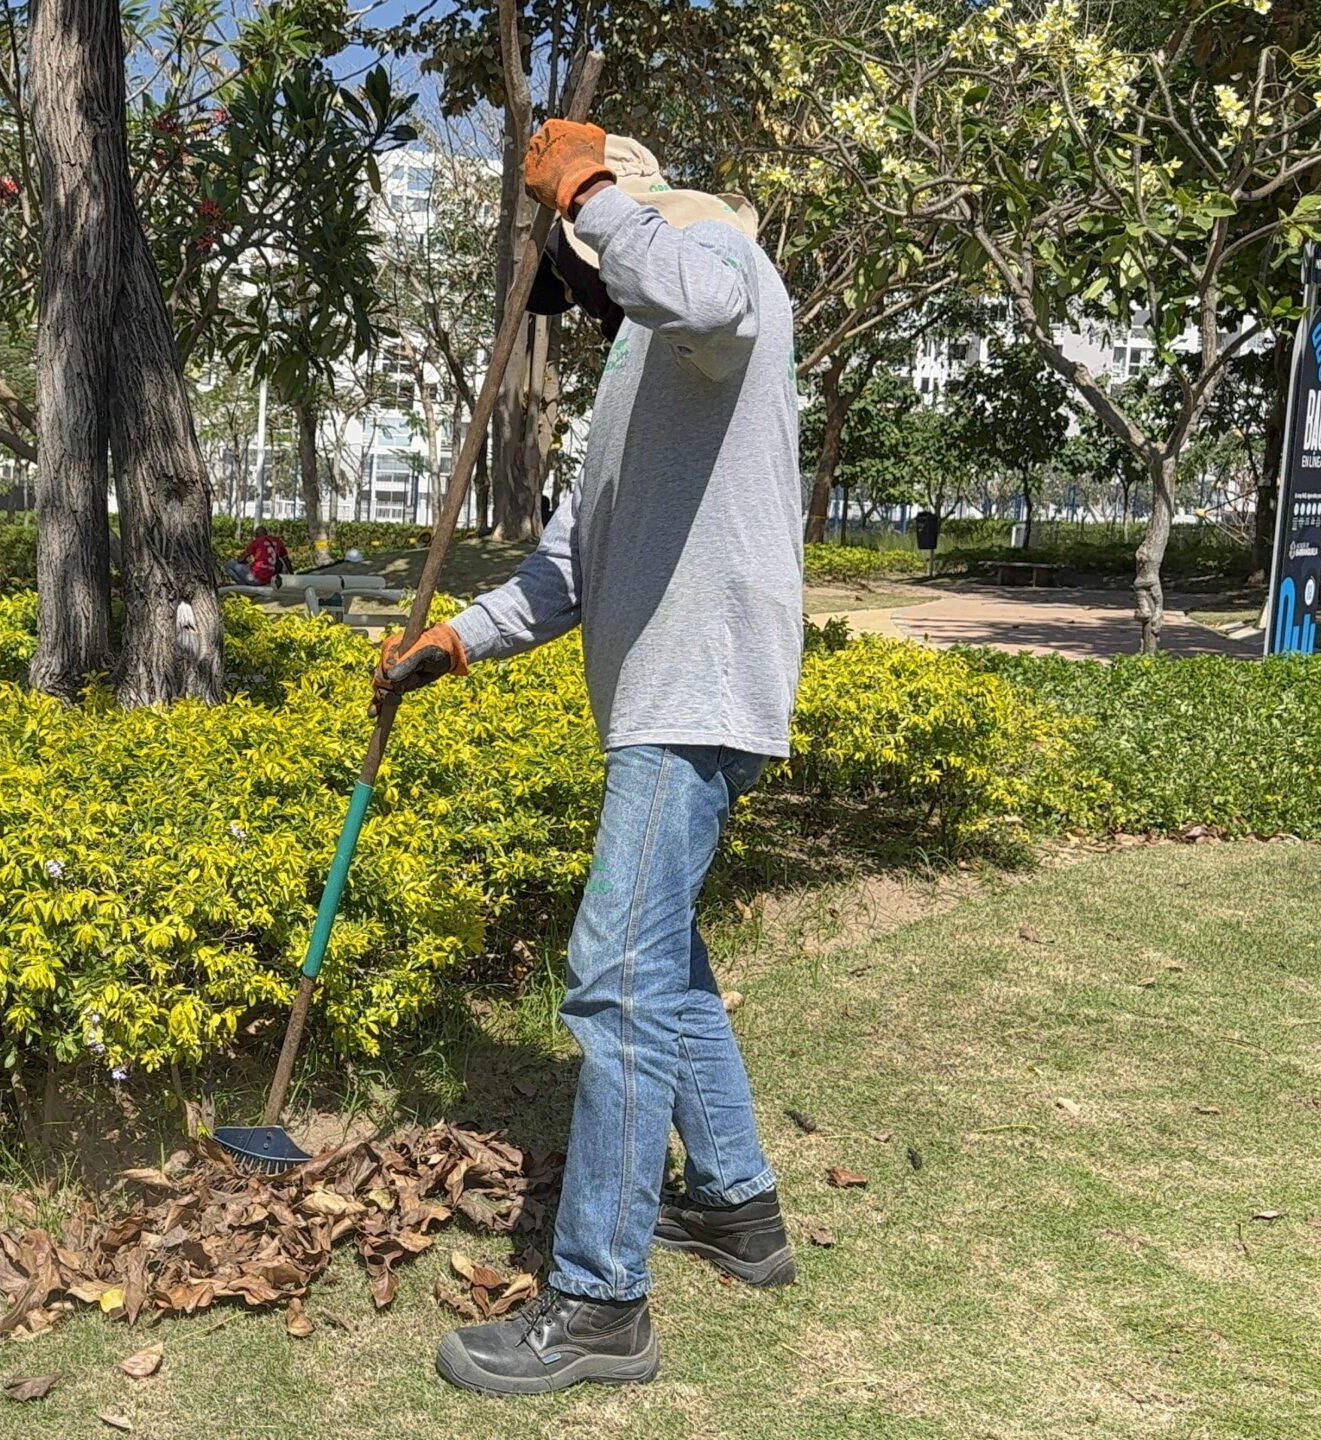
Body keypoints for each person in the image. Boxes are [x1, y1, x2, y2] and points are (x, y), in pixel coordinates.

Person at [375, 121, 803, 1396]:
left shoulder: (715, 264)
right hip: (666, 695)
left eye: (587, 261)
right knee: (661, 964)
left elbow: (696, 291)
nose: (590, 294)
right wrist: (454, 640)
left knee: (612, 978)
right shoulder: (639, 368)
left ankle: (603, 1302)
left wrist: (592, 190)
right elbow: (569, 563)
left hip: (692, 691)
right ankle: (735, 1206)